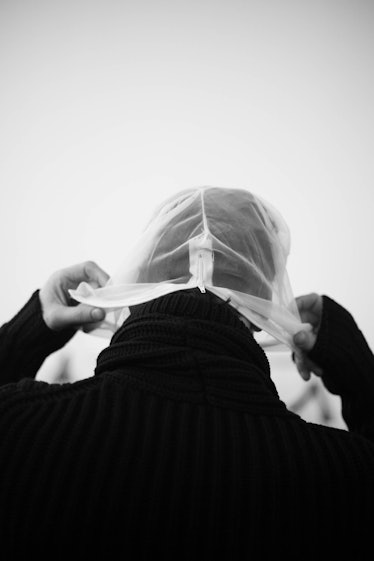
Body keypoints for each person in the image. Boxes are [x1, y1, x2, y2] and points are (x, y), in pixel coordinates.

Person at [0, 188, 373, 560]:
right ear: (265, 297)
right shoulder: (344, 475)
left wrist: (29, 332)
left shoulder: (17, 426)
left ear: (139, 279)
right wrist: (358, 372)